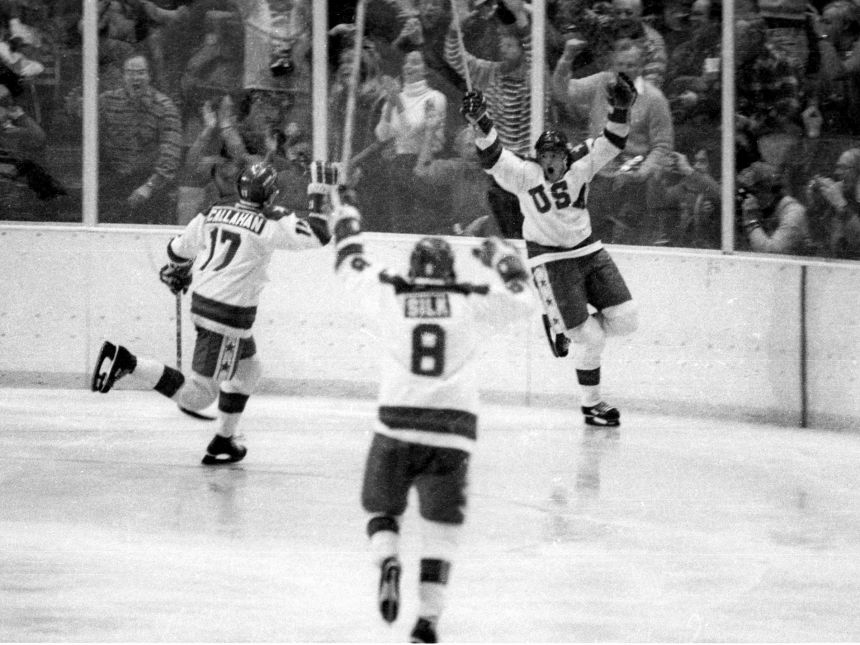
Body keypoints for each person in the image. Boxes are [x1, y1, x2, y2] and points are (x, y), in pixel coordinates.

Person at [318, 164, 535, 643]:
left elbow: (350, 262)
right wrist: (500, 256)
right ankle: (427, 621)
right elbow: (523, 299)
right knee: (440, 531)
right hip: (453, 428)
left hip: (395, 422)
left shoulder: (391, 295)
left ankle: (388, 558)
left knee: (382, 511)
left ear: (413, 270)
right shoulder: (468, 298)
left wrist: (346, 209)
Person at [90, 161, 331, 464]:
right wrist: (320, 193)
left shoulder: (213, 211)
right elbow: (319, 234)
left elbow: (177, 250)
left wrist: (179, 271)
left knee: (249, 371)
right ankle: (126, 362)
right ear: (270, 196)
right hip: (228, 315)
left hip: (207, 303)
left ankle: (224, 441)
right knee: (199, 396)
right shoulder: (270, 222)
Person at [460, 76, 639, 428]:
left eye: (557, 155)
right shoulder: (526, 174)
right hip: (551, 261)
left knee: (628, 319)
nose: (552, 162)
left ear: (567, 154)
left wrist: (620, 109)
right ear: (538, 157)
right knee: (589, 338)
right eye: (546, 156)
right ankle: (592, 404)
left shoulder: (582, 162)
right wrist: (481, 121)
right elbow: (494, 158)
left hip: (588, 251)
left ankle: (561, 322)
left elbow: (614, 140)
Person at [98, 53, 182, 224]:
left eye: (141, 72)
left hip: (149, 183)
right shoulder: (106, 101)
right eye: (130, 72)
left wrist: (149, 187)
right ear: (123, 75)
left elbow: (170, 154)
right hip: (113, 181)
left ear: (149, 75)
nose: (135, 78)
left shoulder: (165, 107)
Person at [737, 160, 814, 254]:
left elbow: (772, 252)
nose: (745, 199)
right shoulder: (764, 212)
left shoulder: (794, 213)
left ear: (765, 192)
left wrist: (751, 221)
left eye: (749, 193)